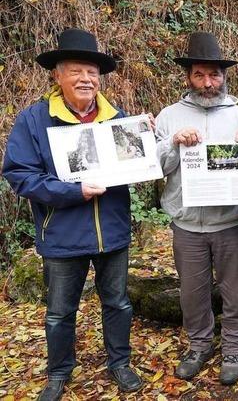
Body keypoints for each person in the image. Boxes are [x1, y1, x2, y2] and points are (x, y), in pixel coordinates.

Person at [2, 28, 143, 401]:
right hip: (62, 234)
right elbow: (19, 174)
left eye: (92, 73)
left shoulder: (117, 118)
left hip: (111, 232)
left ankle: (120, 362)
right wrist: (72, 192)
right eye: (77, 71)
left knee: (118, 302)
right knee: (59, 312)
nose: (86, 79)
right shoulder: (34, 120)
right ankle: (59, 371)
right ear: (58, 75)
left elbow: (138, 168)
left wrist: (146, 145)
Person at [155, 31, 238, 385]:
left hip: (231, 222)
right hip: (187, 224)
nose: (208, 82)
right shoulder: (168, 116)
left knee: (236, 291)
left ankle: (232, 347)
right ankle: (199, 345)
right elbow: (157, 167)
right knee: (192, 292)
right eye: (200, 75)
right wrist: (172, 142)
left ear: (224, 77)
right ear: (189, 77)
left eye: (214, 75)